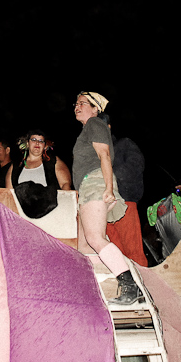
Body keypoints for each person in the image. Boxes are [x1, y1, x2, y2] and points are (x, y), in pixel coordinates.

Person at [73, 91, 142, 305]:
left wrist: (109, 188)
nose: (77, 106)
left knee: (95, 238)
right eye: (76, 103)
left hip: (95, 182)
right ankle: (99, 289)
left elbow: (105, 155)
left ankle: (131, 286)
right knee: (84, 247)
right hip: (86, 187)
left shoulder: (95, 123)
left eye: (82, 103)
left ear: (95, 109)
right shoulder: (87, 129)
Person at [99, 114, 148, 267]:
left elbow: (136, 165)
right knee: (114, 253)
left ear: (108, 127)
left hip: (125, 202)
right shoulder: (92, 155)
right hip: (101, 208)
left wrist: (110, 176)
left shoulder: (124, 144)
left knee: (133, 252)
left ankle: (144, 286)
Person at [5, 130, 72, 218]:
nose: (37, 143)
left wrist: (63, 209)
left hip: (51, 212)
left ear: (45, 146)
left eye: (41, 141)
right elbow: (9, 193)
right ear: (27, 143)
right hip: (21, 214)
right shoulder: (16, 165)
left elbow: (65, 184)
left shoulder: (52, 161)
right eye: (33, 139)